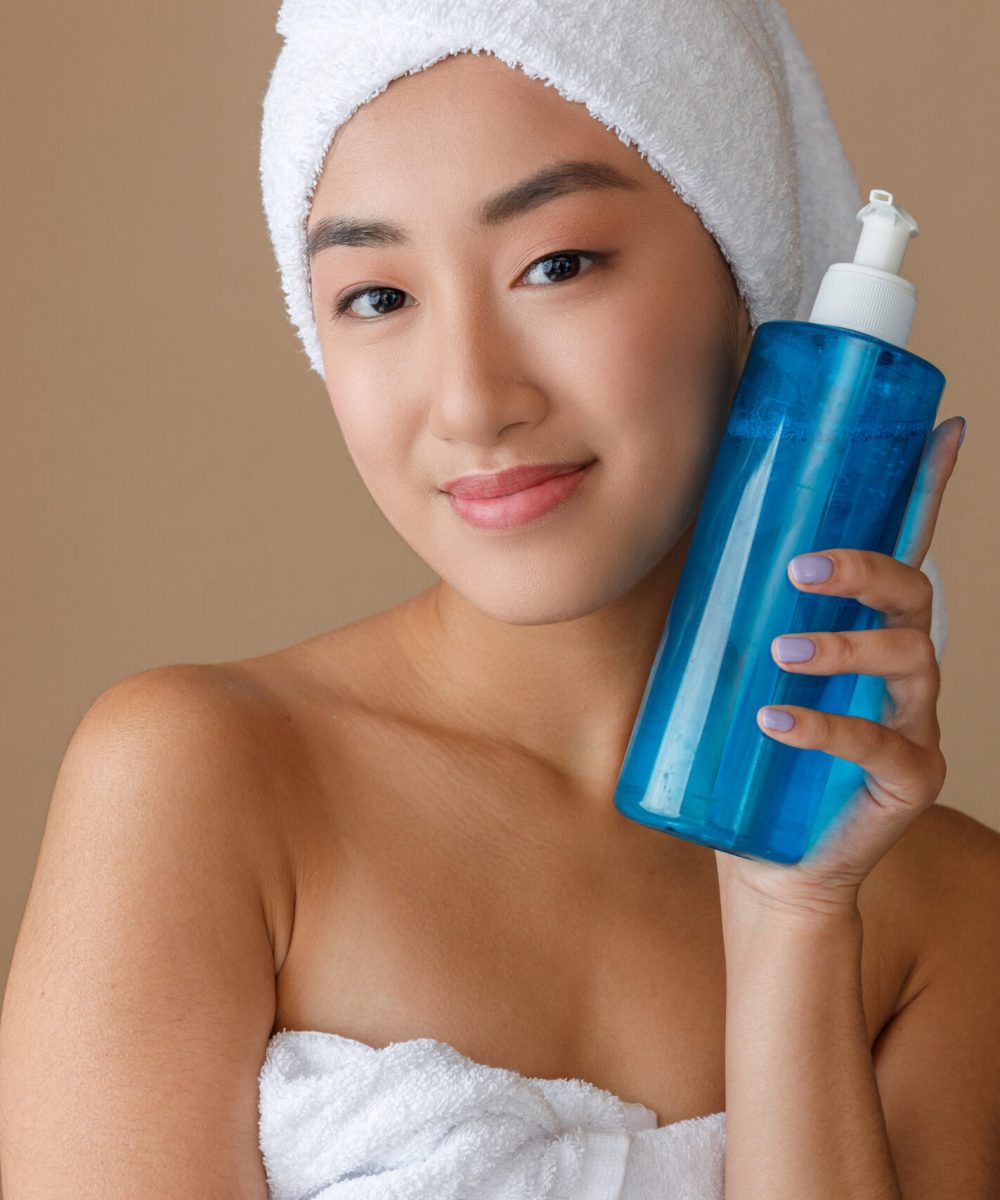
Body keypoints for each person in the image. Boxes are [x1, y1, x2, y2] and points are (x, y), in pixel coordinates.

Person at [1, 24, 997, 1200]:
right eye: (377, 296)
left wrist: (792, 917)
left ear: (750, 276)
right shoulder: (199, 776)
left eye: (557, 264)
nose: (473, 400)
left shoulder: (945, 910)